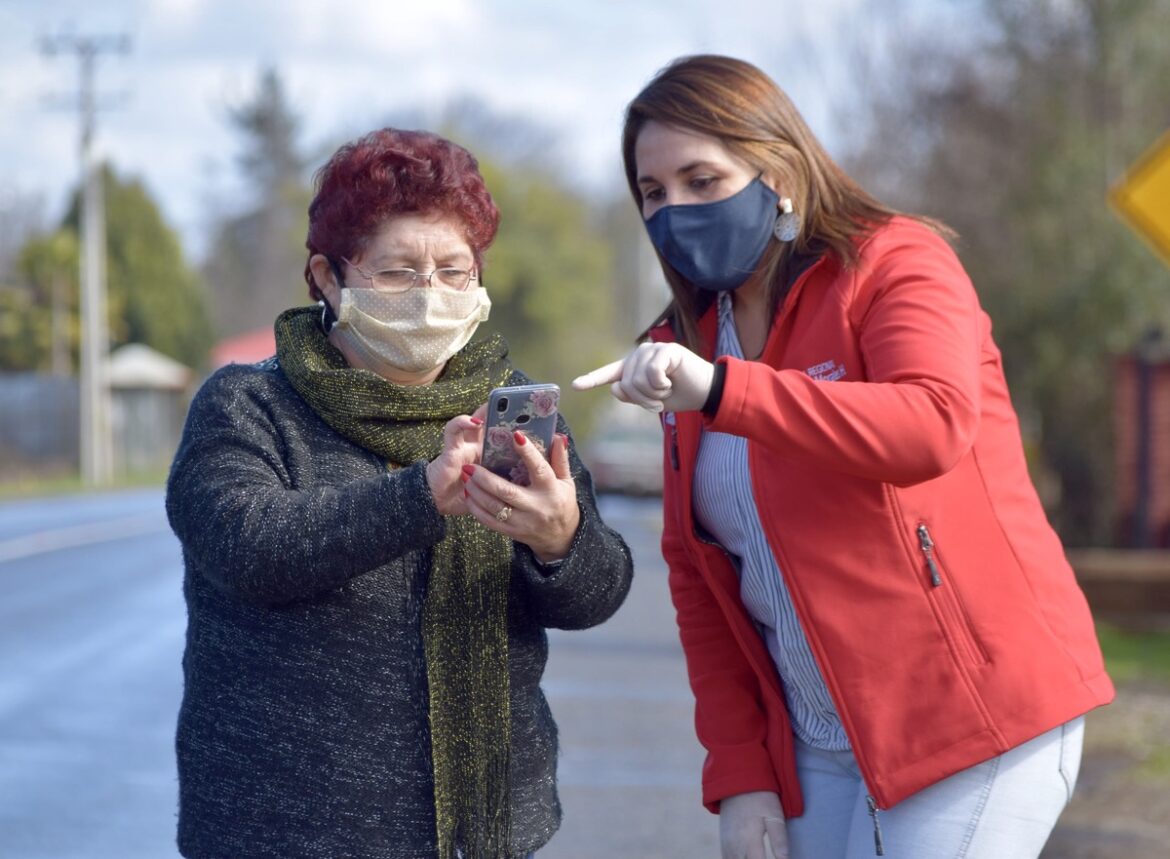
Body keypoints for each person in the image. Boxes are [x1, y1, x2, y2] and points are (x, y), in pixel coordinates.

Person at [574, 55, 1113, 859]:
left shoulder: (896, 261)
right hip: (817, 745)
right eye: (654, 193)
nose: (675, 210)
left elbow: (930, 425)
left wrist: (727, 389)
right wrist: (743, 772)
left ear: (780, 169)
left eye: (702, 178)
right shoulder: (680, 344)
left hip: (973, 719)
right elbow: (699, 578)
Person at [166, 128, 633, 859]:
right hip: (281, 833)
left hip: (484, 834)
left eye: (455, 270)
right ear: (327, 276)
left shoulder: (510, 408)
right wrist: (419, 496)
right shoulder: (248, 405)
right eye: (397, 272)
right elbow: (249, 546)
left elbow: (597, 590)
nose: (431, 296)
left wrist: (560, 541)